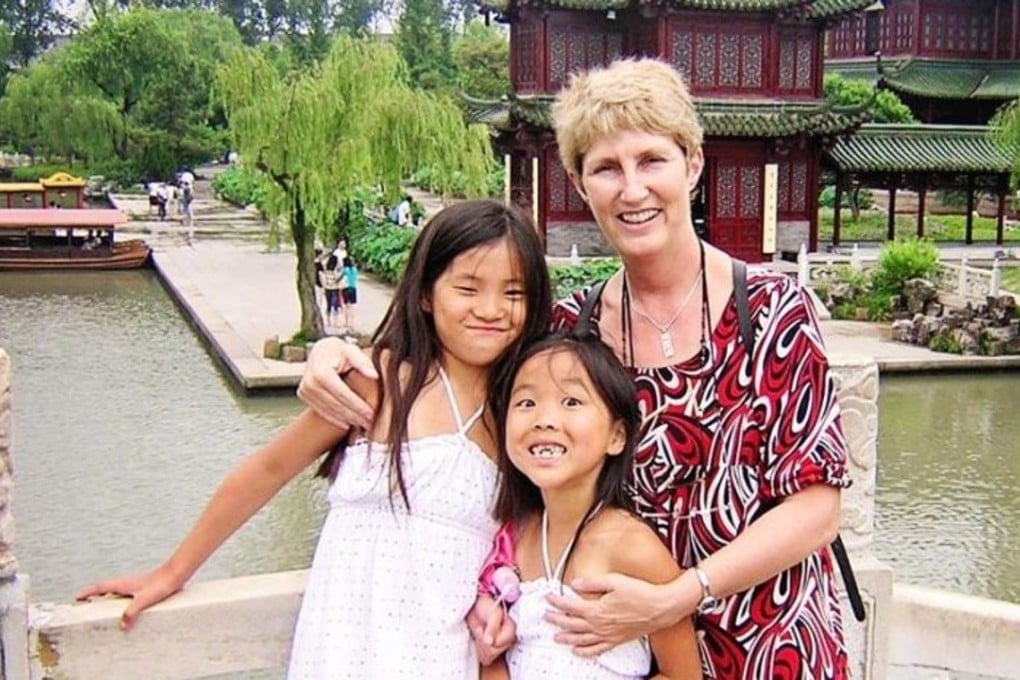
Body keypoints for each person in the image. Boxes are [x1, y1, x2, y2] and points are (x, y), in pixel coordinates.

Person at [296, 57, 852, 679]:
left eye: (652, 161)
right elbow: (480, 411)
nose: (632, 189)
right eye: (607, 169)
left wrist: (679, 595)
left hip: (774, 641)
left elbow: (817, 505)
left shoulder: (770, 310)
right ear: (581, 185)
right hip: (626, 654)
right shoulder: (570, 328)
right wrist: (338, 354)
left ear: (692, 164)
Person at [77, 198, 553, 679]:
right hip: (340, 650)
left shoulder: (521, 413)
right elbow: (269, 470)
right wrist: (173, 572)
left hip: (439, 658)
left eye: (513, 293)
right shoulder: (380, 380)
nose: (491, 310)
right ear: (426, 293)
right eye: (467, 288)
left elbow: (535, 539)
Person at [483, 331, 702, 680]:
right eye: (526, 402)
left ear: (616, 436)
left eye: (571, 402)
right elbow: (492, 659)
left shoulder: (631, 546)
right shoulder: (514, 536)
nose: (544, 419)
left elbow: (683, 675)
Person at [319, 254, 343, 330]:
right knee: (335, 306)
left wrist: (324, 287)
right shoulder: (335, 271)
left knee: (328, 305)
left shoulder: (326, 271)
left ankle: (328, 321)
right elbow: (336, 279)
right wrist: (341, 274)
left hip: (327, 289)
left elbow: (323, 280)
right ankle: (335, 322)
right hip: (334, 289)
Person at [340, 256, 358, 332]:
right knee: (352, 307)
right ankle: (352, 323)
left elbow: (340, 278)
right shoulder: (354, 269)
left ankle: (346, 322)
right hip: (353, 288)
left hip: (346, 288)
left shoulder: (345, 270)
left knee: (346, 306)